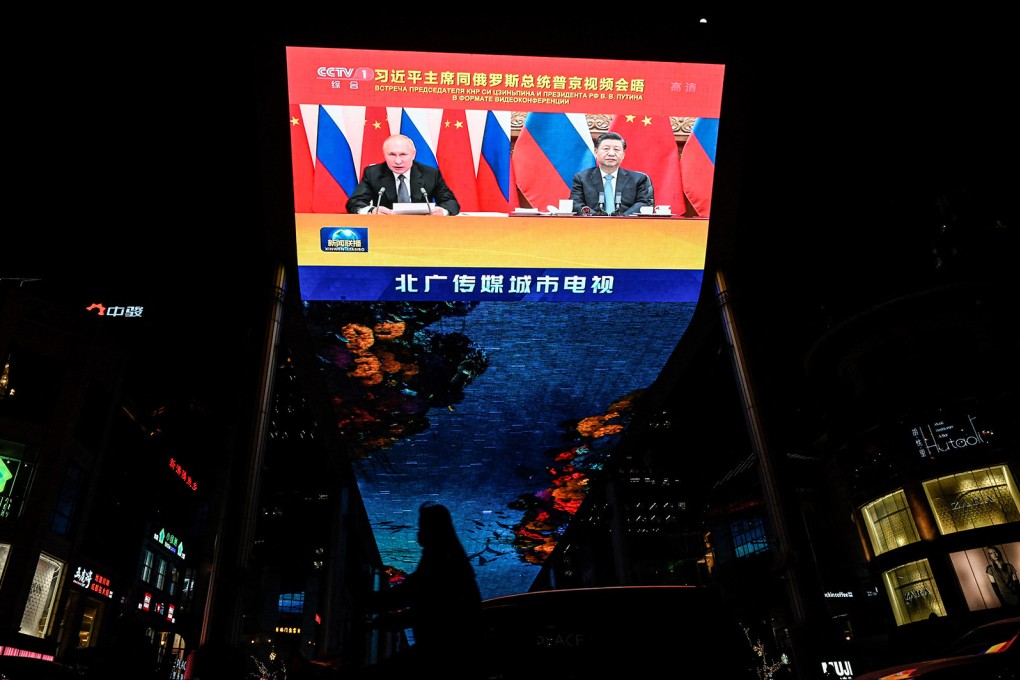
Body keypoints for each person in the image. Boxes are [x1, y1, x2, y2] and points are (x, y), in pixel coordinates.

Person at [356, 502, 483, 679]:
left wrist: (364, 604)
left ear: (434, 529)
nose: (419, 532)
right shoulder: (449, 556)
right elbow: (426, 603)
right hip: (449, 649)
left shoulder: (438, 559)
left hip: (441, 650)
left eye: (423, 526)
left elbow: (411, 594)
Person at [345, 134, 460, 215]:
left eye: (403, 154)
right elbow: (354, 203)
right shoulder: (373, 173)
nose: (398, 161)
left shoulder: (430, 174)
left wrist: (442, 211)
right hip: (385, 228)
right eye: (392, 155)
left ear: (413, 154)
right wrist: (371, 211)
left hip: (423, 228)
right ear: (384, 154)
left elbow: (450, 202)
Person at [569, 131, 654, 216]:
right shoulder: (582, 178)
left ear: (623, 155)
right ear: (596, 152)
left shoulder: (639, 179)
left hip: (628, 226)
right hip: (592, 226)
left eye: (616, 149)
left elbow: (644, 203)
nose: (611, 153)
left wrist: (621, 219)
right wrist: (597, 218)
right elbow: (576, 203)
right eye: (606, 149)